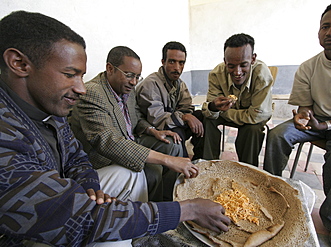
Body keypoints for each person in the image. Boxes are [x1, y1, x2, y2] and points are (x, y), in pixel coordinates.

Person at [0, 10, 230, 246]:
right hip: (32, 230)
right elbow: (78, 216)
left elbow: (76, 157)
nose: (80, 88)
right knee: (123, 198)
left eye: (81, 76)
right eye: (70, 75)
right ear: (19, 63)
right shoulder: (7, 135)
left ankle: (138, 231)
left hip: (77, 187)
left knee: (138, 170)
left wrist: (91, 188)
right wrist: (186, 210)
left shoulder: (51, 107)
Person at [263, 1, 331, 246]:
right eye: (325, 26)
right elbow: (304, 106)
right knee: (278, 134)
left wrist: (329, 127)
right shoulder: (308, 67)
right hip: (317, 120)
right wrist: (303, 116)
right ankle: (271, 194)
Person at [69, 46, 194, 202]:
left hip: (131, 139)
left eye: (137, 77)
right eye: (129, 75)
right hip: (106, 156)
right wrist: (166, 160)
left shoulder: (128, 88)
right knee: (154, 171)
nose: (134, 82)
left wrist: (152, 130)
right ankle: (152, 208)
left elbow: (136, 118)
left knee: (172, 145)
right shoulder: (93, 93)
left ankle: (168, 197)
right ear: (110, 69)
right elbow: (109, 142)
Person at [201, 33, 273, 166]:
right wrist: (213, 106)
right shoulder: (216, 74)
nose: (237, 72)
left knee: (252, 129)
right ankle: (208, 165)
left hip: (251, 120)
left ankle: (248, 169)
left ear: (253, 59)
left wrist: (223, 112)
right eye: (231, 66)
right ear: (225, 61)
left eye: (243, 65)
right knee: (208, 120)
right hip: (244, 114)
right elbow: (209, 110)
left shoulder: (262, 74)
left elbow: (256, 115)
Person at [136, 41, 204, 160]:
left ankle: (201, 160)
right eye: (172, 62)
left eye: (181, 63)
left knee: (201, 117)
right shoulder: (151, 84)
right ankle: (182, 167)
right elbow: (158, 119)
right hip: (151, 130)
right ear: (163, 62)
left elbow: (187, 107)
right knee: (176, 130)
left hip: (169, 123)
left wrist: (186, 116)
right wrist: (184, 117)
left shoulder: (179, 84)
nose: (177, 68)